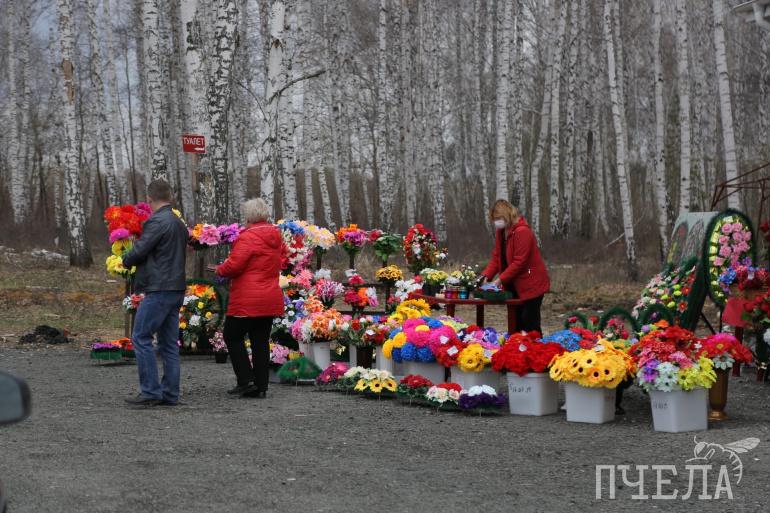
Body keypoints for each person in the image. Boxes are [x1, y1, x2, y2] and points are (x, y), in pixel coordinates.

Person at [122, 179, 188, 406]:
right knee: (169, 344)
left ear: (149, 199)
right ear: (170, 197)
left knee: (140, 337)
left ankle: (150, 391)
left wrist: (126, 257)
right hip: (176, 287)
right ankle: (170, 393)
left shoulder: (157, 221)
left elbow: (140, 251)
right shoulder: (178, 223)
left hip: (159, 288)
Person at [215, 198, 284, 398]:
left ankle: (246, 380)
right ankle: (261, 385)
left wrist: (220, 269)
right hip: (269, 295)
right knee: (260, 341)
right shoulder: (275, 235)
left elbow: (234, 266)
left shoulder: (247, 237)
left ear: (249, 216)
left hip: (247, 298)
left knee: (232, 335)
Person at [481, 199, 550, 335]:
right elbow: (497, 257)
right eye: (494, 219)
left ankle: (535, 346)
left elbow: (519, 262)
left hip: (531, 284)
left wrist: (499, 280)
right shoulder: (501, 232)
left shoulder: (523, 232)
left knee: (529, 325)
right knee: (515, 325)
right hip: (513, 285)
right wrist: (486, 276)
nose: (497, 222)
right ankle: (516, 347)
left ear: (507, 215)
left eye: (499, 218)